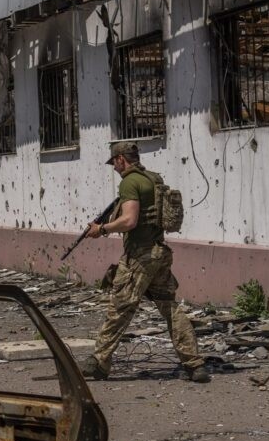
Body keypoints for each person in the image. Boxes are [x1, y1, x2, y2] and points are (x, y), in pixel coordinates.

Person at [80, 141, 210, 382]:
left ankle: (98, 361)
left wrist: (102, 229)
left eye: (114, 163)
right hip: (159, 253)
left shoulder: (129, 182)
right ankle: (195, 365)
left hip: (140, 257)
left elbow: (129, 220)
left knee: (120, 307)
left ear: (121, 159)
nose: (114, 168)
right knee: (170, 308)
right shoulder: (153, 178)